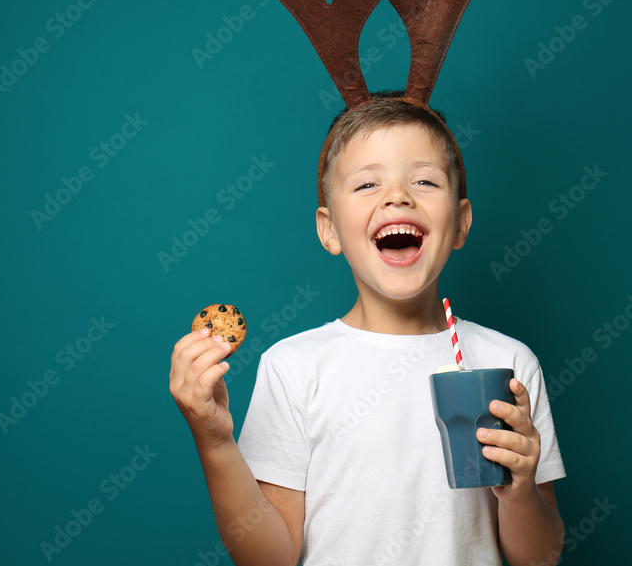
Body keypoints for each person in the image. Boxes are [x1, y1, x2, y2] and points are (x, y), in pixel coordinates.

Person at [169, 95, 566, 565]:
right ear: (330, 229)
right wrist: (214, 442)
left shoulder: (510, 365)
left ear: (460, 224)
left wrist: (520, 492)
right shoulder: (294, 366)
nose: (398, 196)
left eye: (423, 180)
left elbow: (541, 558)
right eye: (366, 184)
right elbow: (268, 558)